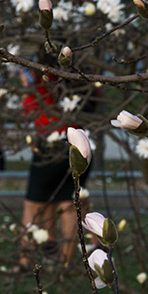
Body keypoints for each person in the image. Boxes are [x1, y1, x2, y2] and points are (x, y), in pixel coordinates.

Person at [18, 63, 92, 268]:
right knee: (69, 205)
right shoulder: (81, 76)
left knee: (33, 205)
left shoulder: (40, 80)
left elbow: (29, 110)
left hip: (51, 143)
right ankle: (64, 262)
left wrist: (25, 85)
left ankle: (25, 260)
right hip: (81, 142)